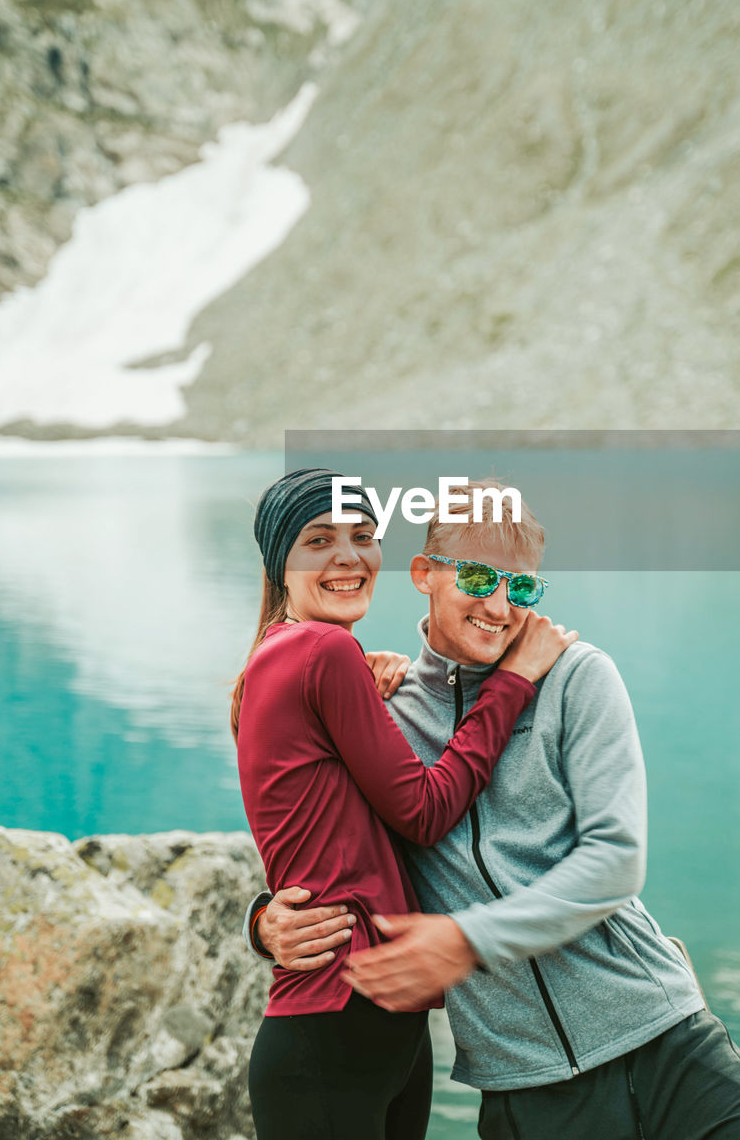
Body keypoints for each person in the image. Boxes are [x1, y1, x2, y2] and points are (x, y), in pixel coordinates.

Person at [248, 479, 740, 1140]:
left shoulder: (575, 676)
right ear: (424, 574)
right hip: (522, 1082)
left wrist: (465, 938)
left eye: (523, 587)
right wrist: (264, 919)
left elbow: (616, 859)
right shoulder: (381, 702)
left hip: (662, 1037)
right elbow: (321, 833)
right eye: (478, 578)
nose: (500, 606)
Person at [234, 468, 577, 1140]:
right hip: (337, 1022)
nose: (347, 556)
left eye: (363, 536)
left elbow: (329, 833)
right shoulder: (322, 650)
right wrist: (509, 682)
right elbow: (424, 811)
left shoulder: (287, 659)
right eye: (318, 539)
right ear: (281, 560)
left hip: (369, 1018)